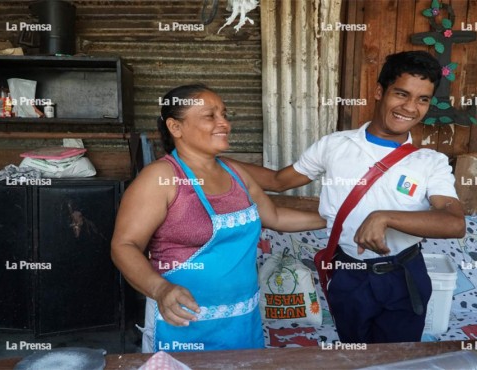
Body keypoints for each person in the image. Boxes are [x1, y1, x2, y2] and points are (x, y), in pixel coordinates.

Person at [233, 51, 466, 343]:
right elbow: (279, 182)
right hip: (348, 274)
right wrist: (218, 162)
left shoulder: (430, 162)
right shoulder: (335, 146)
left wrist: (385, 217)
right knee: (354, 353)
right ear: (380, 91)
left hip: (404, 276)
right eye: (401, 94)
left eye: (422, 99)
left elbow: (455, 223)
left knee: (397, 360)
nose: (410, 107)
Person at [111, 84, 326, 353]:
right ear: (175, 127)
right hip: (182, 324)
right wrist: (160, 289)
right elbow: (124, 245)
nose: (224, 123)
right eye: (210, 116)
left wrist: (334, 219)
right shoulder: (160, 179)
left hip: (242, 320)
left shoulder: (235, 172)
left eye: (224, 114)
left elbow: (276, 216)